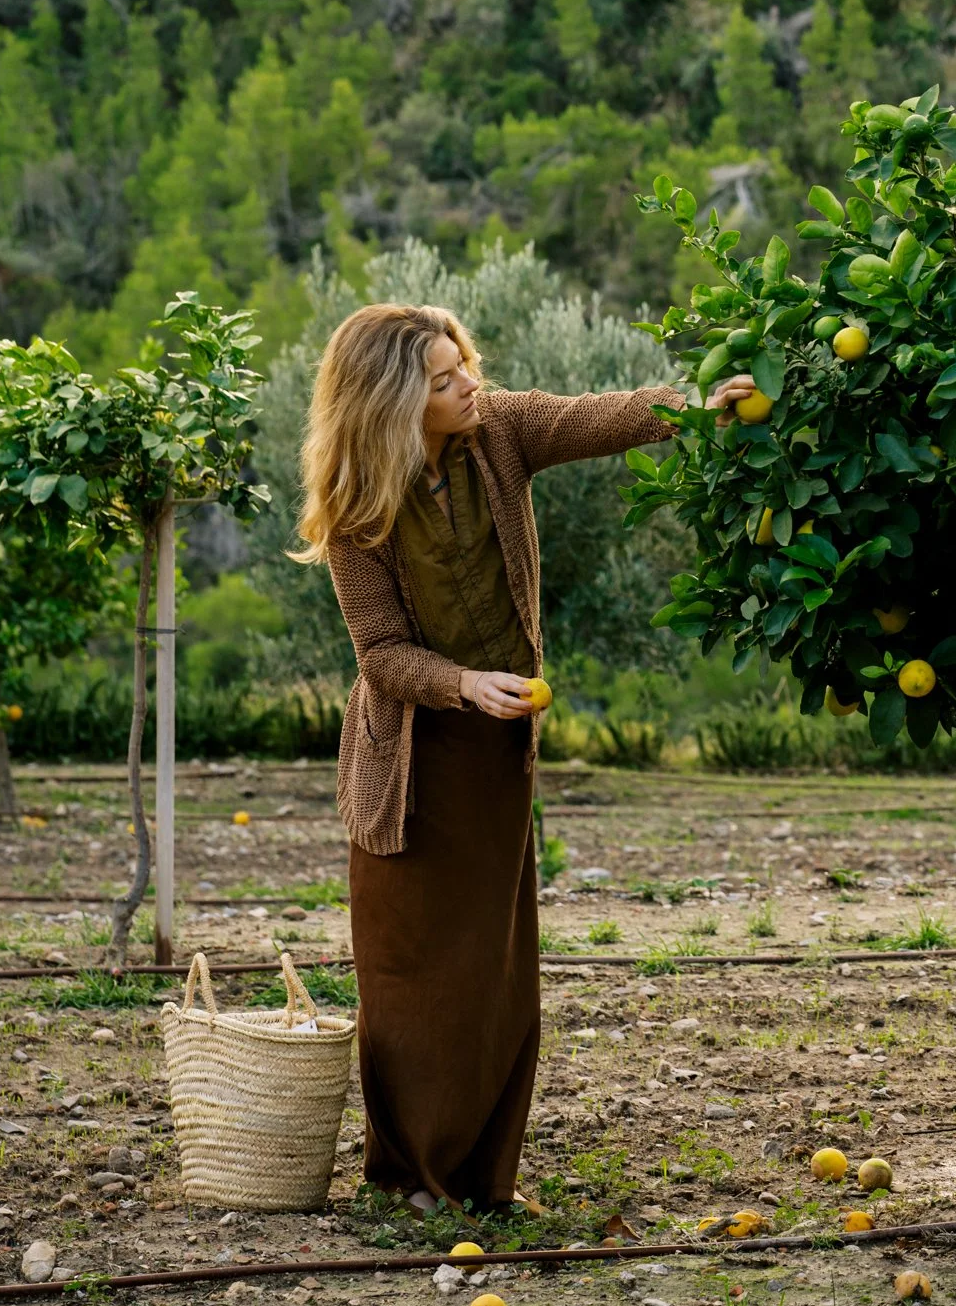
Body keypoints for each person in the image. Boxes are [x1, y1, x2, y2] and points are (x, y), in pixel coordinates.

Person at [294, 302, 751, 1210]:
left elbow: (593, 417)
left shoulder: (498, 434)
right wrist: (464, 683)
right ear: (392, 404)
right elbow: (380, 654)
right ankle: (409, 1174)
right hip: (410, 763)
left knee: (494, 973)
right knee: (409, 977)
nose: (470, 384)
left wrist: (693, 405)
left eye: (464, 363)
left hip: (495, 755)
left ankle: (478, 1178)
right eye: (443, 379)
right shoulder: (356, 508)